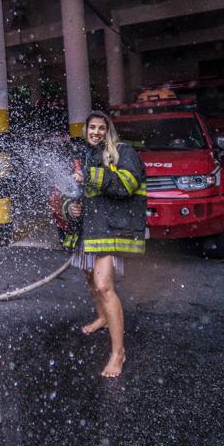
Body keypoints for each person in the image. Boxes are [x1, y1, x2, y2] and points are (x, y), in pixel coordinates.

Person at [61, 110, 147, 377]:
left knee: (103, 285)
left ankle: (118, 353)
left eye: (101, 128)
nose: (95, 132)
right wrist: (69, 209)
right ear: (85, 130)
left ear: (108, 131)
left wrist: (90, 176)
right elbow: (69, 193)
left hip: (109, 230)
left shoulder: (121, 152)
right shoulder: (81, 157)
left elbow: (128, 184)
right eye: (92, 128)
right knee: (89, 277)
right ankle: (102, 318)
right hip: (89, 230)